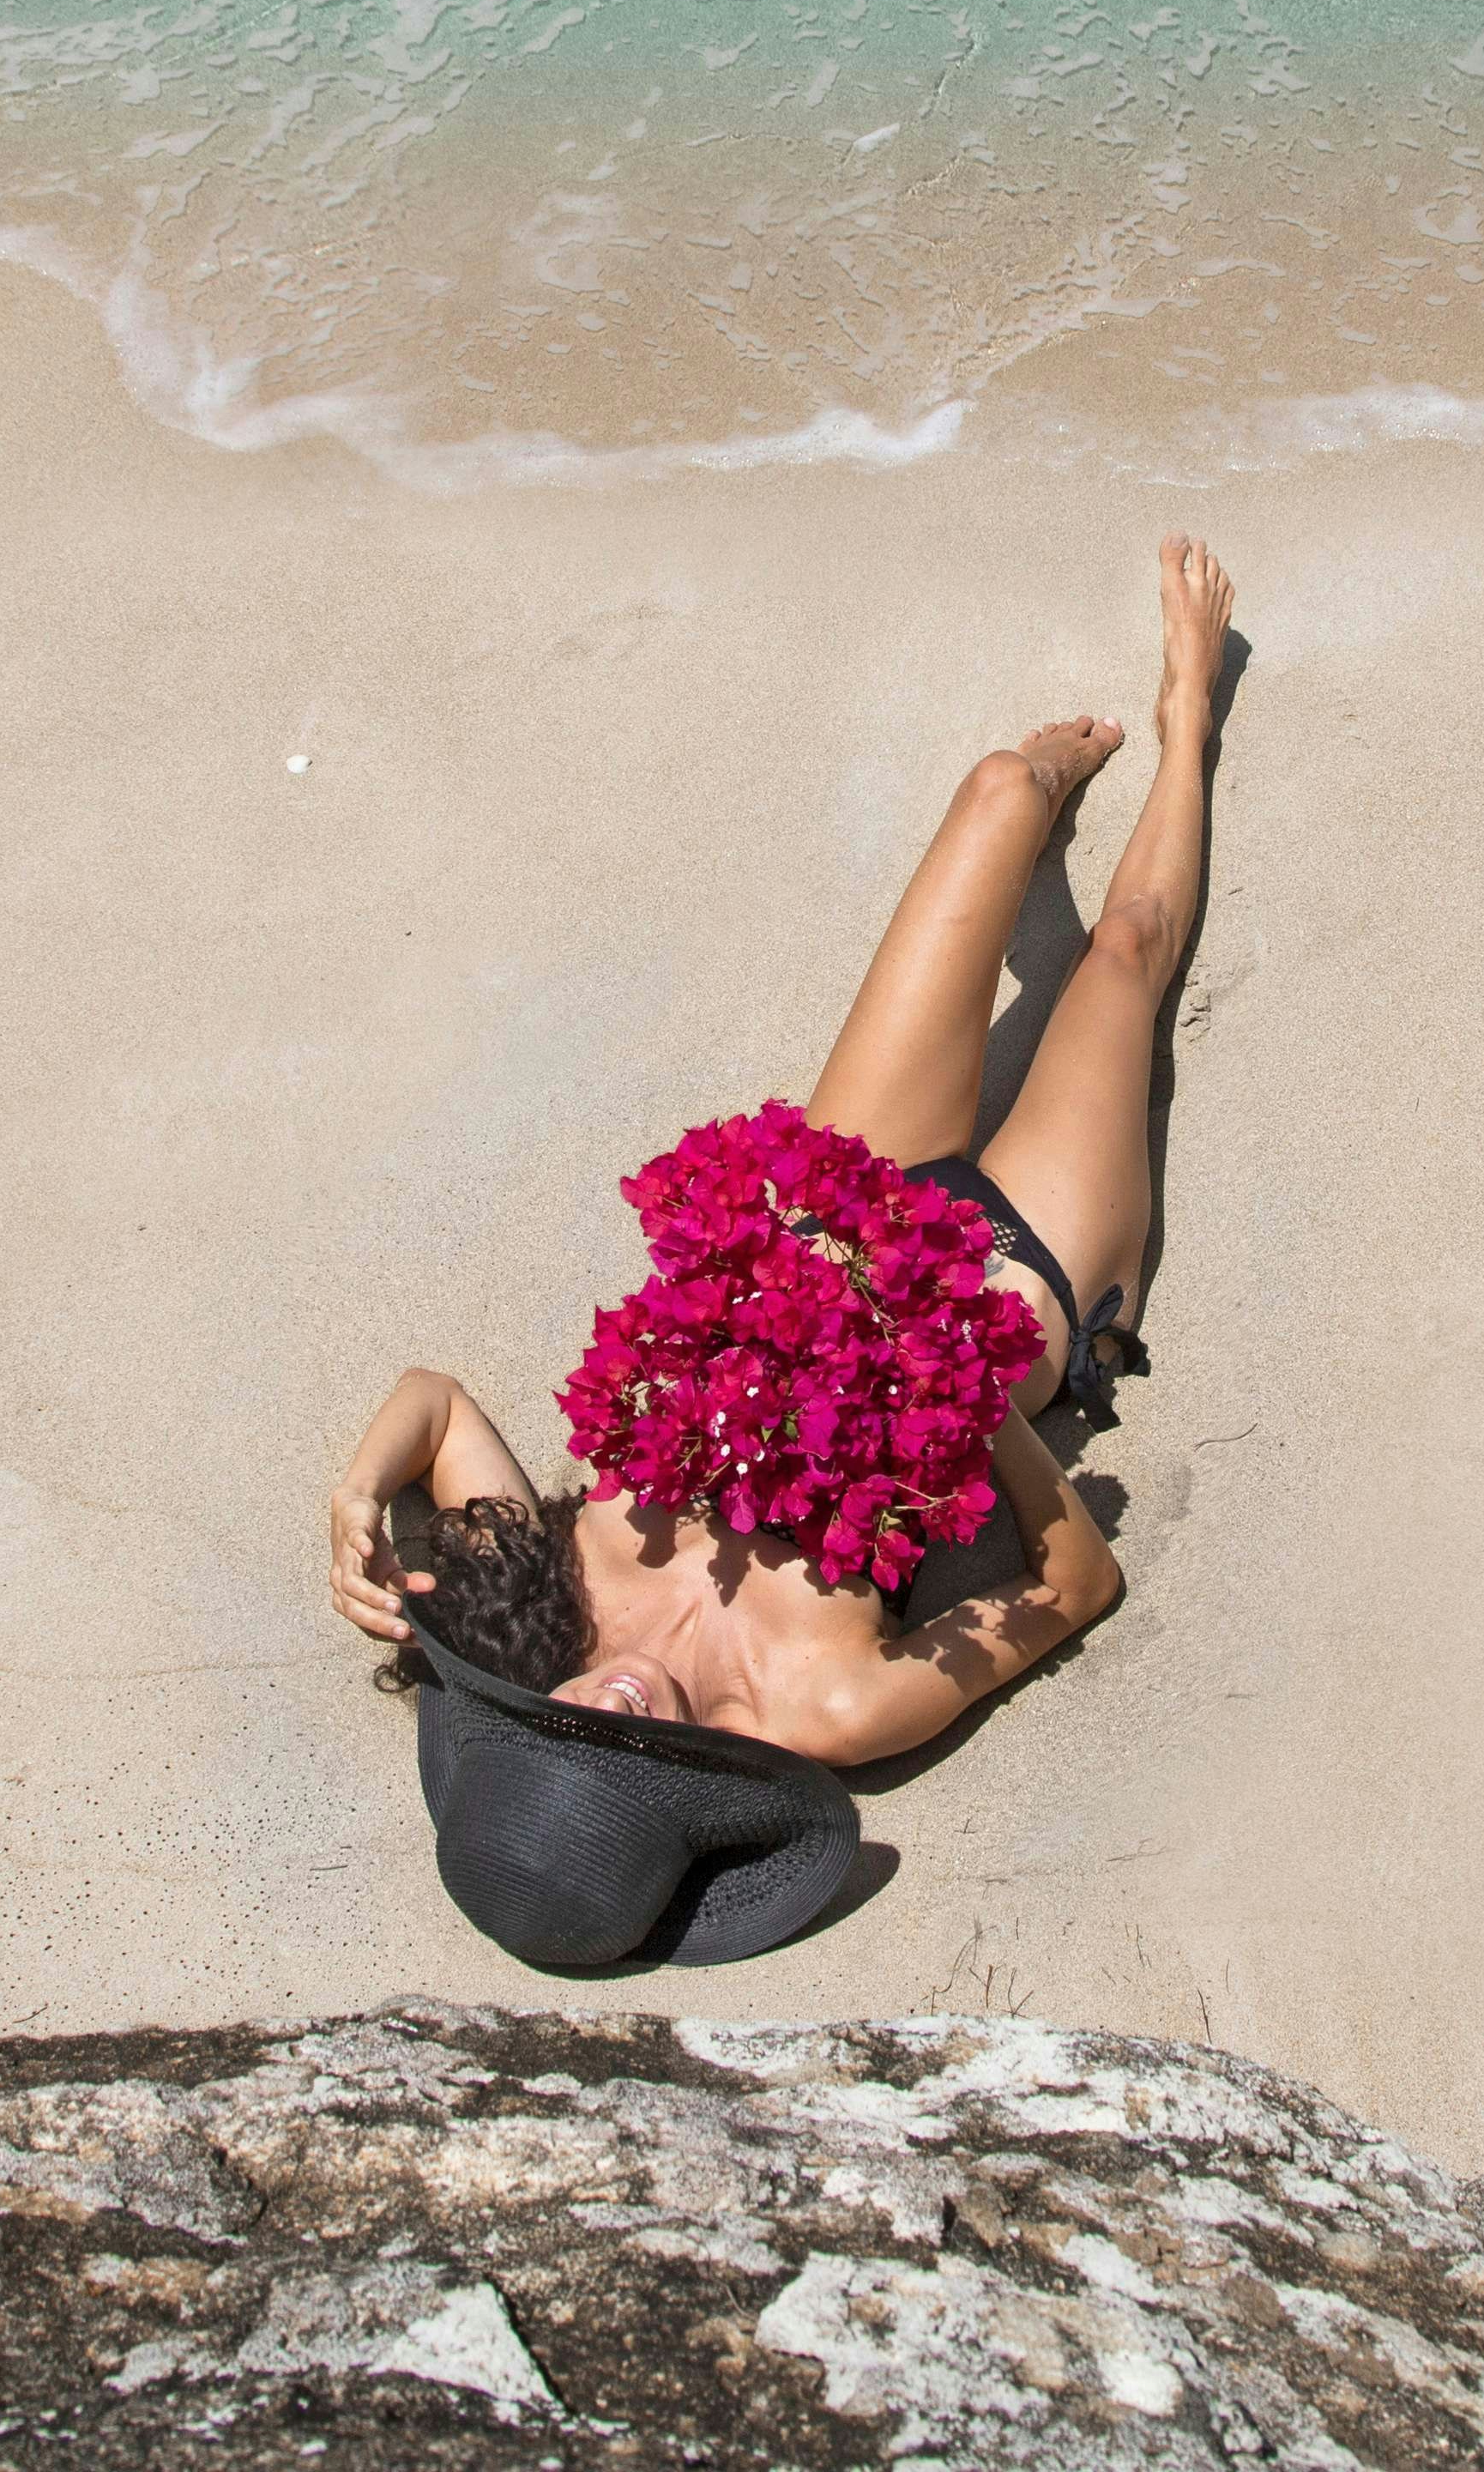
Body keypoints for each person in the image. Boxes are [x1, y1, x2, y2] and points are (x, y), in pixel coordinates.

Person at [323, 535, 1238, 1967]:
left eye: (568, 1729)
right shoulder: (827, 1718)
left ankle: (1055, 784)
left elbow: (435, 1402)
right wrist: (982, 1405)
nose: (613, 1714)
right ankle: (1187, 717)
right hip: (1012, 1290)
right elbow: (1072, 1588)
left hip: (840, 1200)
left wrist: (359, 1485)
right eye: (617, 1767)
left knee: (997, 790)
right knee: (1119, 956)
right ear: (683, 1814)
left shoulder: (554, 1591)